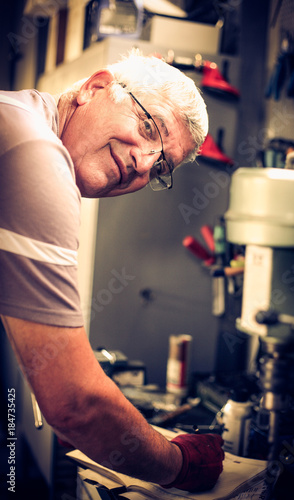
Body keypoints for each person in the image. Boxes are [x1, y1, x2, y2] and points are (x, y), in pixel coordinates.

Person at [0, 50, 224, 492]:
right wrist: (179, 462)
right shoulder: (36, 151)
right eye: (148, 128)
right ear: (94, 88)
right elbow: (75, 404)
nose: (144, 163)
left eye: (160, 167)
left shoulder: (19, 116)